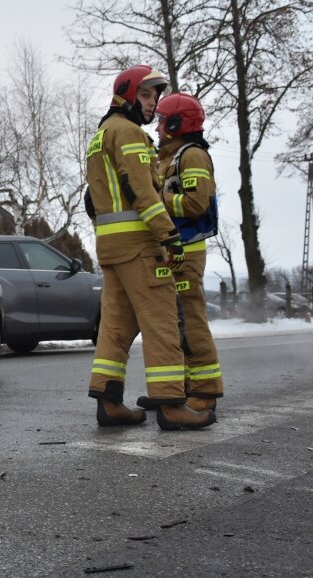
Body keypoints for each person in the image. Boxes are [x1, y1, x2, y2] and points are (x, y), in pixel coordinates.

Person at [84, 65, 216, 430]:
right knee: (162, 324)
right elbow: (143, 193)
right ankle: (172, 405)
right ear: (125, 95)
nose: (152, 102)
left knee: (115, 325)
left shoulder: (100, 135)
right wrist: (168, 236)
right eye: (145, 95)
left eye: (155, 95)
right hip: (141, 246)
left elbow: (92, 200)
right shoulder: (128, 134)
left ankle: (109, 401)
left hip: (110, 247)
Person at [137, 93, 223, 413]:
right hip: (171, 249)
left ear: (177, 124)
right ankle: (181, 390)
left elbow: (196, 204)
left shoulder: (193, 155)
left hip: (187, 252)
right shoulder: (168, 155)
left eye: (162, 120)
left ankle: (206, 391)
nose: (157, 127)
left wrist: (159, 200)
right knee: (174, 322)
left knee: (191, 320)